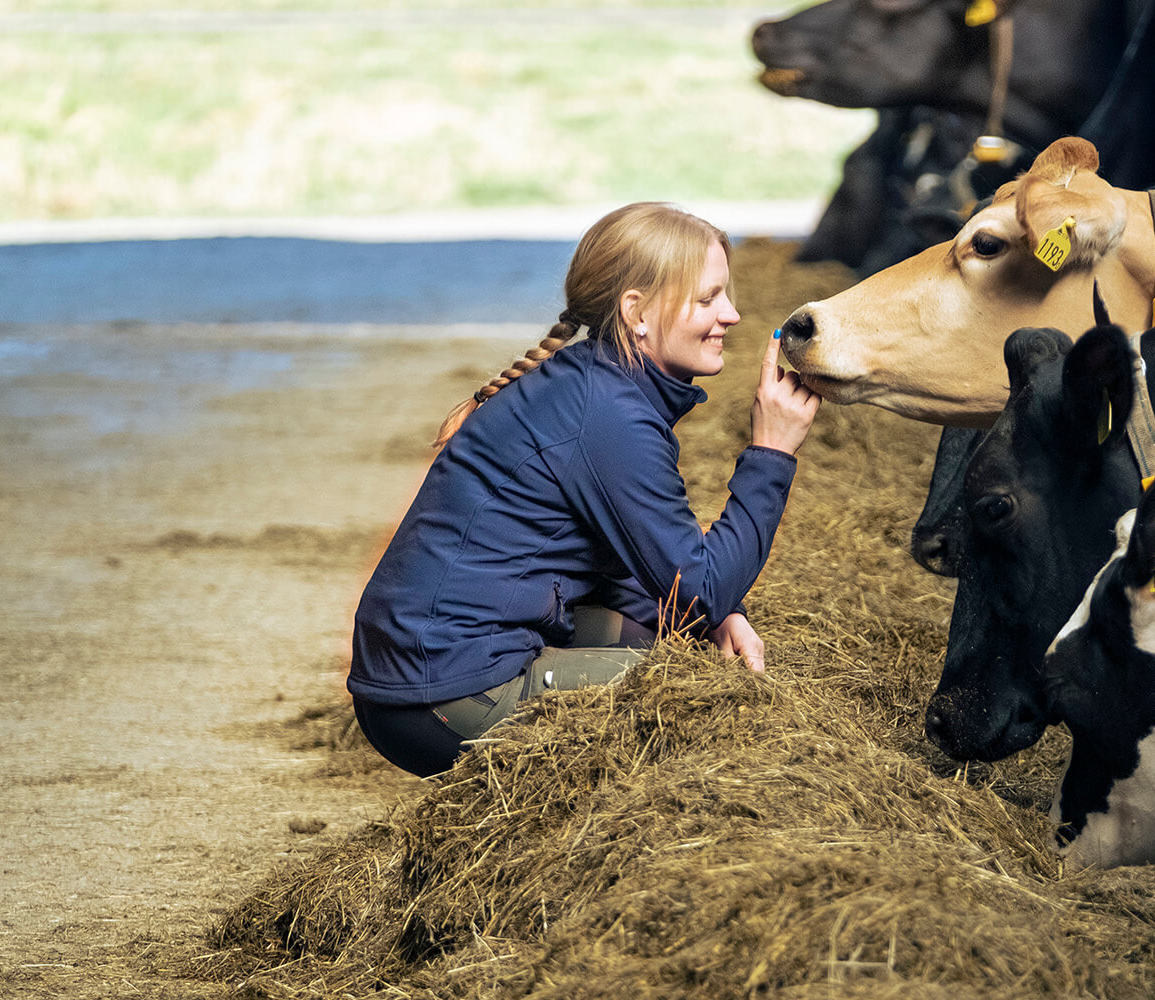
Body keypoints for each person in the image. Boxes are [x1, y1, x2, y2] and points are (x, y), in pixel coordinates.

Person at [348, 202, 821, 778]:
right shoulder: (608, 414)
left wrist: (719, 615)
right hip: (442, 696)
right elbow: (697, 586)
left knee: (672, 640)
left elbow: (646, 574)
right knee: (696, 693)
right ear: (636, 312)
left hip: (413, 677)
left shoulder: (592, 384)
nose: (733, 314)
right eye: (708, 298)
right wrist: (772, 452)